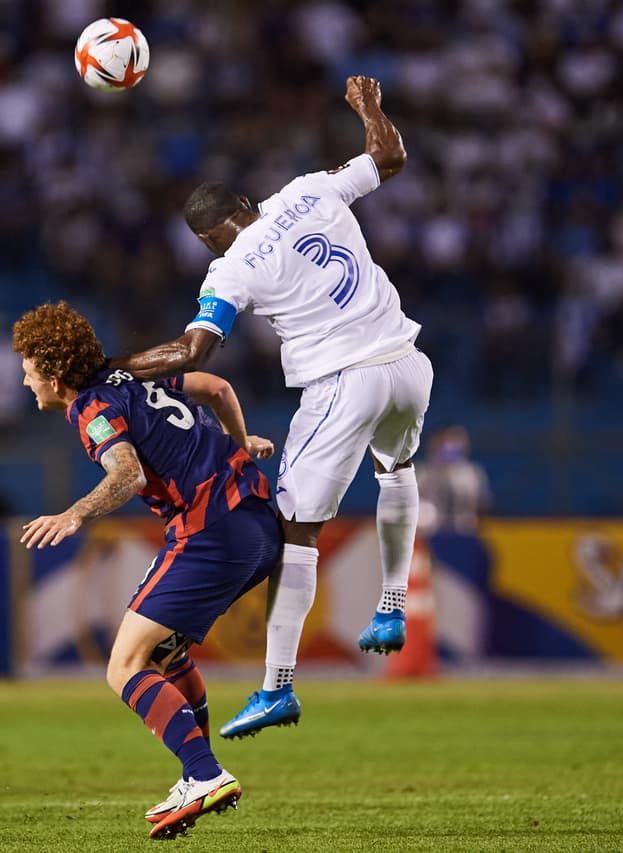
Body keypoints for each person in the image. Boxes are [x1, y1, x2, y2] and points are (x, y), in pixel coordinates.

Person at [107, 76, 434, 739]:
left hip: (346, 379)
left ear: (208, 241)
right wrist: (369, 107)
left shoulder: (230, 268)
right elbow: (389, 155)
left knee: (294, 531)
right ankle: (392, 604)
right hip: (408, 363)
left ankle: (276, 687)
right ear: (249, 203)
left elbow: (192, 350)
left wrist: (112, 368)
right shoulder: (308, 189)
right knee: (396, 471)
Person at [13, 301, 281, 840]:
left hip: (211, 528)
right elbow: (215, 388)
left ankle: (204, 774)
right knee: (163, 654)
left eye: (28, 369)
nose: (25, 380)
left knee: (124, 666)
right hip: (257, 519)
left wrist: (74, 513)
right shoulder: (132, 376)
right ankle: (196, 774)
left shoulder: (91, 407)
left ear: (54, 375)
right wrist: (239, 443)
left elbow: (128, 475)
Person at [416, 425, 491, 534]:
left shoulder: (472, 473)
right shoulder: (421, 472)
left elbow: (482, 505)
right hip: (429, 533)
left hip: (465, 531)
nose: (450, 447)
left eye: (456, 441)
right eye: (446, 442)